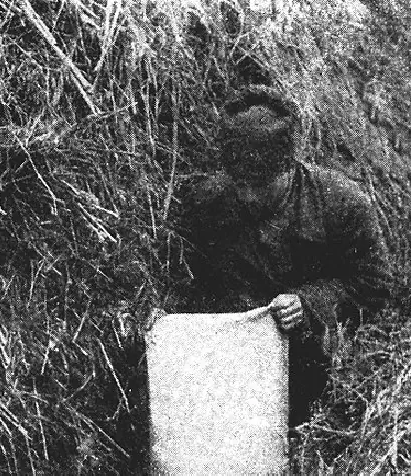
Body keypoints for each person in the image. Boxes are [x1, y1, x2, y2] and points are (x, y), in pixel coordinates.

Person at [162, 85, 394, 434]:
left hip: (316, 366)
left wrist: (309, 304)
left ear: (288, 166)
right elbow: (185, 280)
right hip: (233, 372)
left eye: (262, 183)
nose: (249, 196)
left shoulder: (342, 204)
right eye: (240, 182)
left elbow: (374, 286)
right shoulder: (207, 204)